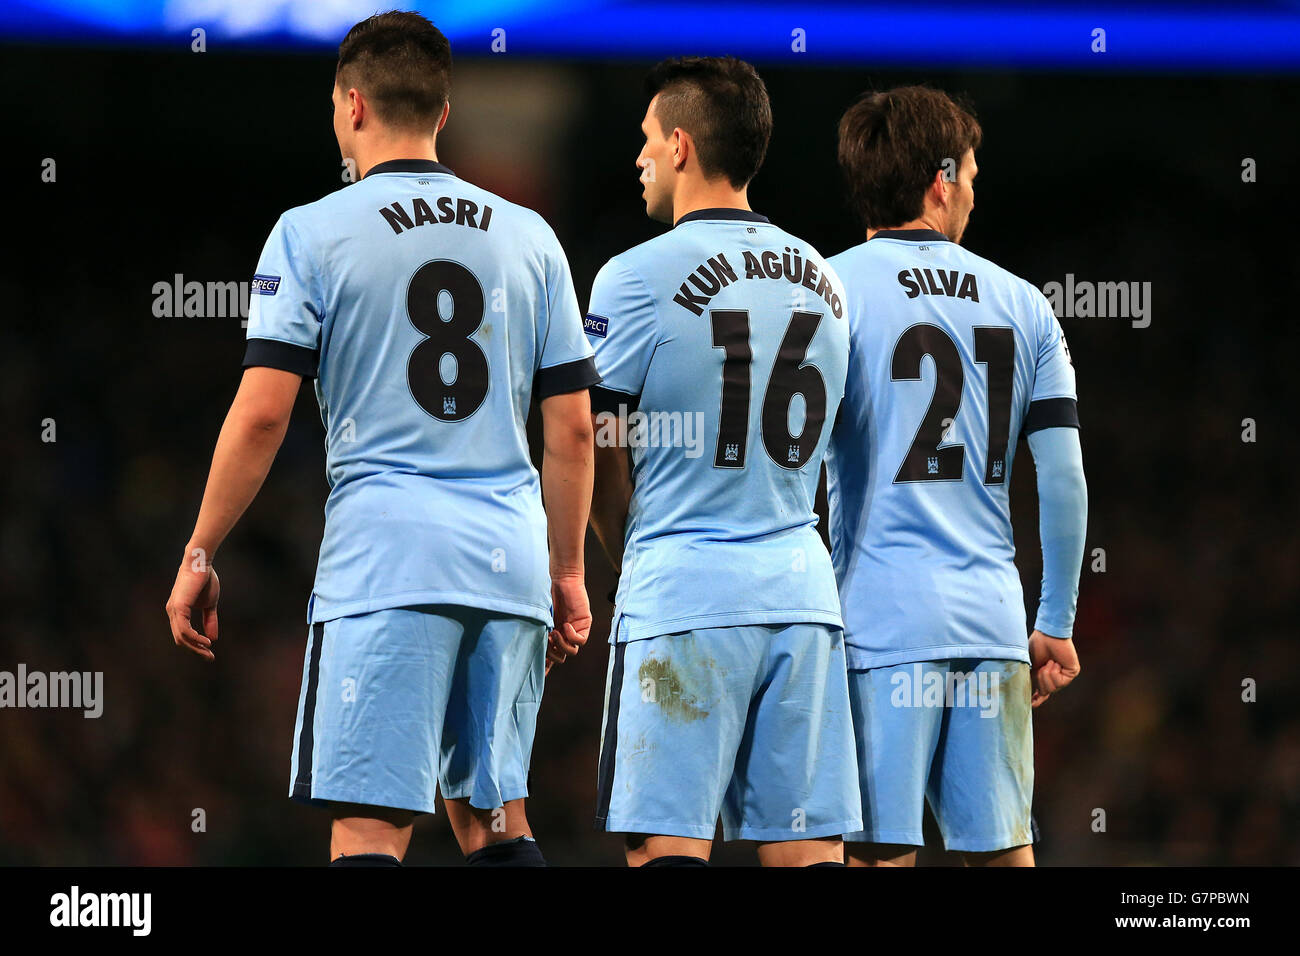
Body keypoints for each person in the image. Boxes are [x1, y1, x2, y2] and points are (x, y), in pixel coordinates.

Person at [164, 11, 598, 866]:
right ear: (443, 114)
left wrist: (200, 550)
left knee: (370, 825)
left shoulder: (311, 231)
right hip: (508, 562)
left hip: (388, 560)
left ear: (352, 105)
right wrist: (569, 571)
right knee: (496, 822)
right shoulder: (531, 236)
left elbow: (260, 412)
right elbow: (575, 429)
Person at [585, 56, 860, 867]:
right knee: (807, 854)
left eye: (645, 141)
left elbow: (596, 445)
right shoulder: (827, 280)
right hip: (805, 599)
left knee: (665, 848)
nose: (636, 159)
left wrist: (615, 552)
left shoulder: (630, 279)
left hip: (685, 596)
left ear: (679, 145)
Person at [826, 85, 1087, 867]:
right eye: (971, 170)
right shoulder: (1026, 305)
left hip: (880, 622)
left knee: (880, 857)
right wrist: (1057, 622)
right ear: (941, 179)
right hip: (991, 621)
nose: (975, 187)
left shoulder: (825, 291)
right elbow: (1064, 476)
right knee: (1004, 856)